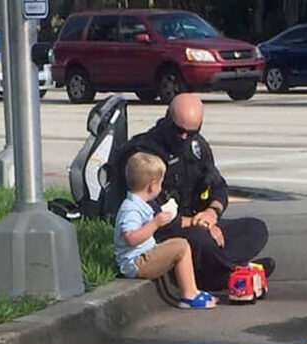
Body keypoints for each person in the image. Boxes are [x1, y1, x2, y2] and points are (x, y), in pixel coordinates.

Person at [124, 93, 273, 291]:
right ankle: (230, 274)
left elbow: (218, 186)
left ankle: (214, 272)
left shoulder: (197, 146)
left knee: (255, 229)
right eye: (179, 131)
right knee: (201, 240)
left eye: (191, 132)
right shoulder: (146, 153)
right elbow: (150, 214)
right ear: (168, 119)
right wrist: (199, 225)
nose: (185, 137)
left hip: (201, 222)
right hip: (166, 230)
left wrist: (212, 213)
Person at [114, 151, 217, 309]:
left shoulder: (139, 204)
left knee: (178, 244)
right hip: (136, 262)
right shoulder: (131, 209)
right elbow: (131, 238)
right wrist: (156, 223)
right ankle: (188, 295)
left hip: (141, 256)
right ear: (152, 185)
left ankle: (193, 290)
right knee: (181, 246)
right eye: (160, 184)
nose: (160, 188)